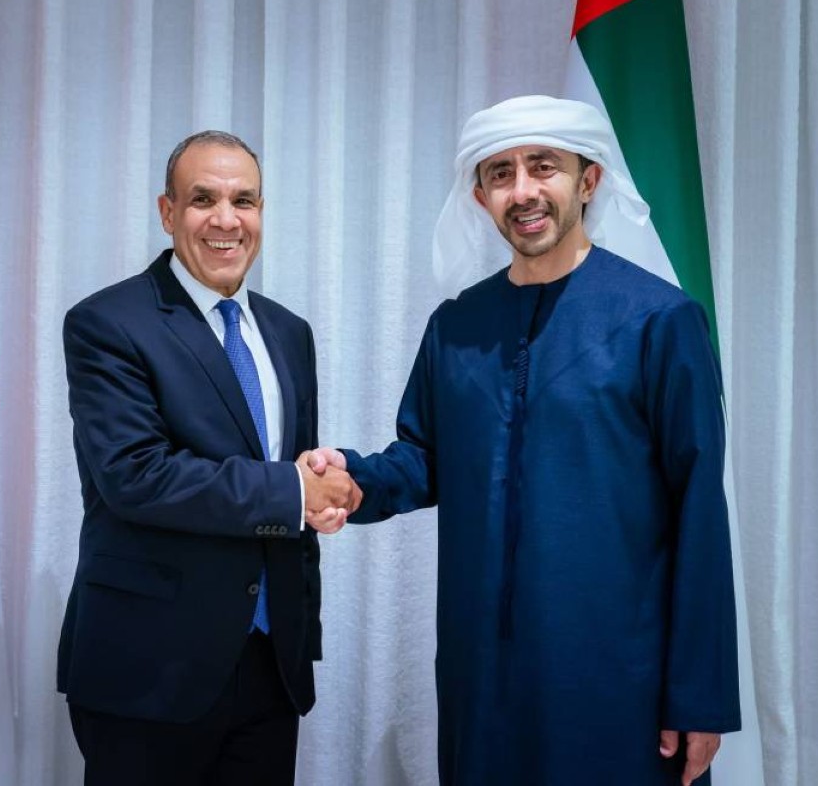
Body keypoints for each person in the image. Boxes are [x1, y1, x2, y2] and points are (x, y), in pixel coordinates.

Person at [307, 95, 741, 785]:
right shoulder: (456, 326)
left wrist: (699, 696)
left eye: (543, 167)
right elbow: (425, 457)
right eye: (500, 173)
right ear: (480, 197)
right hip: (483, 674)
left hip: (619, 677)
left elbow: (701, 513)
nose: (523, 190)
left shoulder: (660, 320)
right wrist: (351, 480)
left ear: (588, 180)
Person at [58, 130, 358, 785]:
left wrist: (320, 492)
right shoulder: (107, 323)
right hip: (150, 670)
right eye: (203, 199)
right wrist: (293, 493)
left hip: (270, 666)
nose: (226, 219)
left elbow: (285, 472)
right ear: (168, 212)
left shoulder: (289, 332)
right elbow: (136, 475)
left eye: (243, 200)